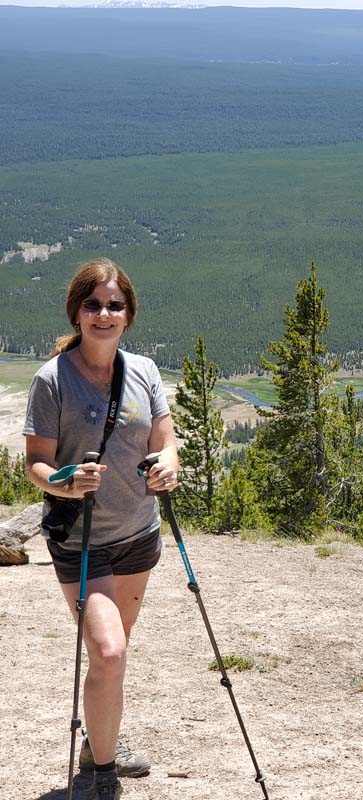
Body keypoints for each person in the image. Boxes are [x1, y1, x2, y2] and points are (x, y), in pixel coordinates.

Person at [23, 258, 179, 800]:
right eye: (93, 305)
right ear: (78, 312)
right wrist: (63, 483)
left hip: (139, 530)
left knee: (113, 652)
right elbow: (36, 463)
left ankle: (98, 744)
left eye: (114, 304)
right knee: (109, 652)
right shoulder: (53, 379)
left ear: (128, 314)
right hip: (81, 539)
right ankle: (102, 775)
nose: (104, 314)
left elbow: (165, 438)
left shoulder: (145, 371)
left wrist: (169, 463)